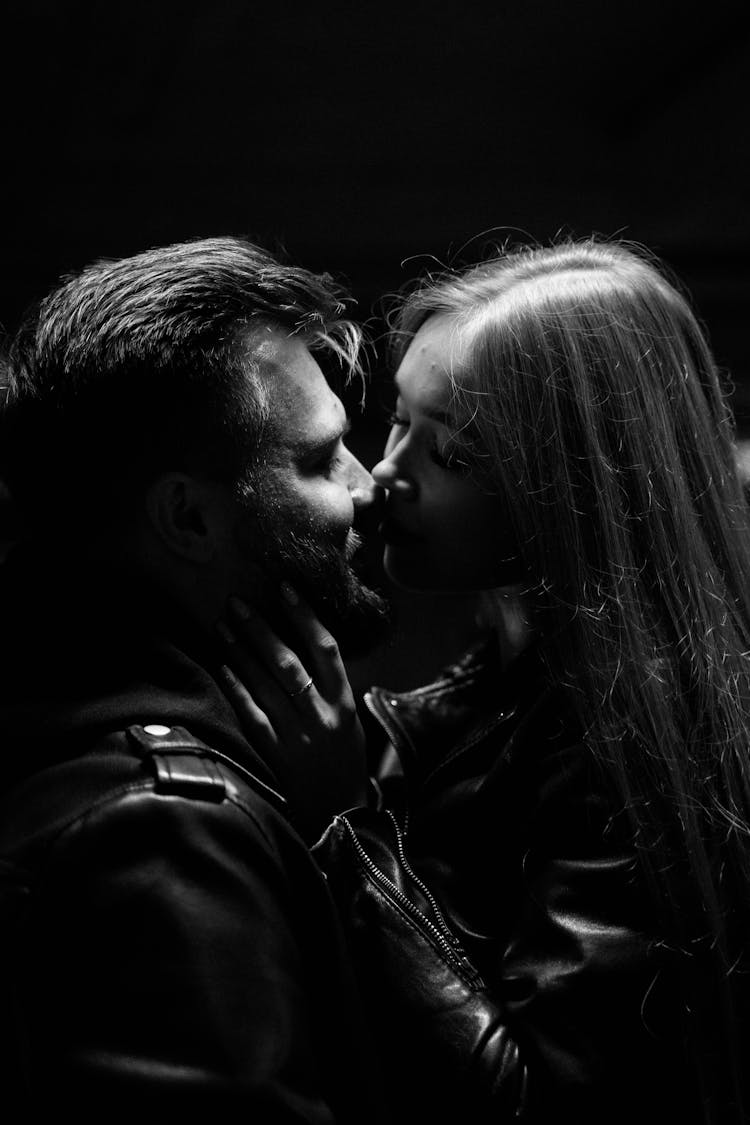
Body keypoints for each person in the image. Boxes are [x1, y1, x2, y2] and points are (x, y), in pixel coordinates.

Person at [218, 237, 750, 1125]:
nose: (385, 474)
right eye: (398, 421)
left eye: (455, 456)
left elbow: (535, 1108)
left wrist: (345, 829)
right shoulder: (512, 673)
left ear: (578, 490)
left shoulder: (639, 744)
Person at [0, 236, 393, 1122]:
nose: (367, 485)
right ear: (187, 516)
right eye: (322, 457)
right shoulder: (161, 832)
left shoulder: (66, 739)